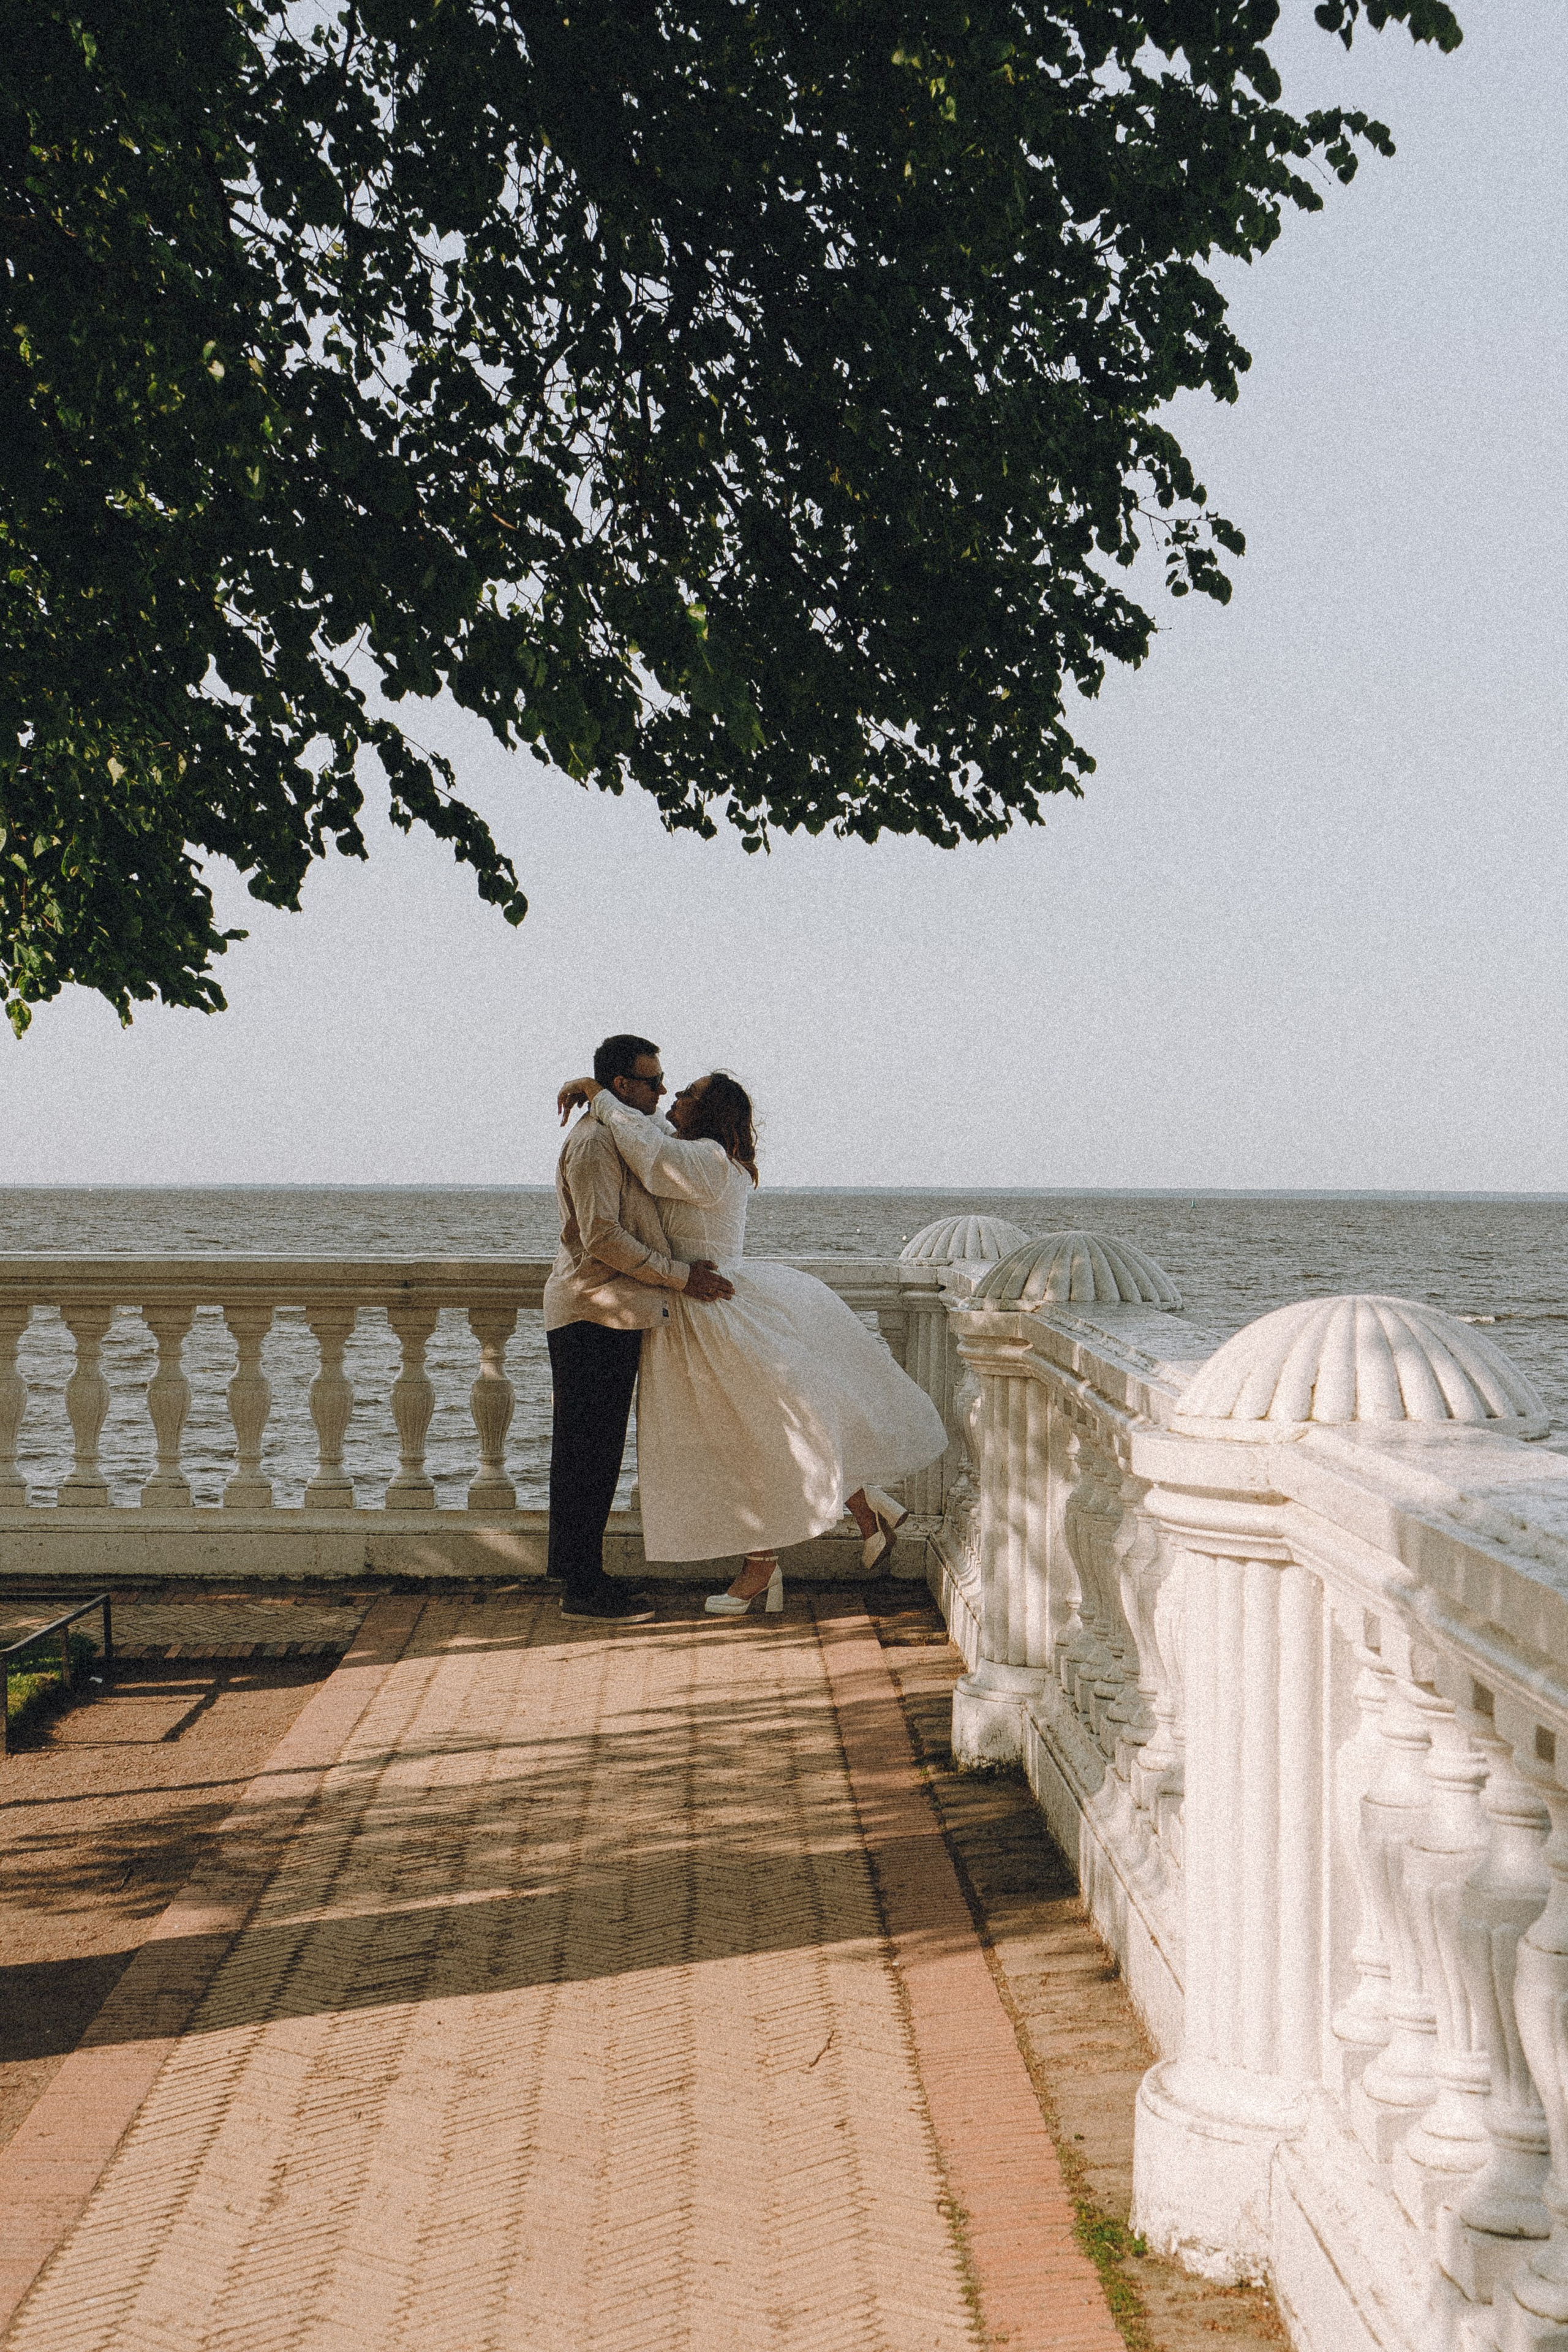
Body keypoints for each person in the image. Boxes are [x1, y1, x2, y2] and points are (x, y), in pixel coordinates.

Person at [554, 1066, 948, 1615]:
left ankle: (765, 1563)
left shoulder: (707, 1161)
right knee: (745, 1436)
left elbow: (646, 1149)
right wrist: (597, 1092)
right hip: (695, 1310)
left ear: (709, 1113)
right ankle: (858, 1508)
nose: (674, 1096)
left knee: (736, 1441)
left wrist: (597, 1093)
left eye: (688, 1093)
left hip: (709, 1312)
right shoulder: (700, 1154)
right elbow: (645, 1140)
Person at [543, 1034, 734, 1622]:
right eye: (651, 1081)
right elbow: (600, 1235)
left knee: (596, 1453)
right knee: (585, 1454)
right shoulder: (598, 1144)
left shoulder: (623, 1133)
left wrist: (590, 1088)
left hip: (613, 1310)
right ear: (624, 1085)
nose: (661, 1089)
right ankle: (581, 1587)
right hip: (592, 1310)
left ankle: (584, 1575)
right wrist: (680, 1277)